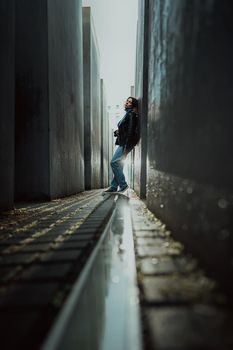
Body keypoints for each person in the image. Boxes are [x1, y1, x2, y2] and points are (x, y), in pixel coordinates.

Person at [104, 96, 140, 193]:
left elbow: (130, 131)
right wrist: (118, 132)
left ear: (133, 105)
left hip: (125, 143)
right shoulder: (128, 114)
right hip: (123, 142)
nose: (127, 103)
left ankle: (123, 185)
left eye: (129, 102)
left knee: (114, 162)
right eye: (127, 101)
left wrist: (126, 146)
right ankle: (114, 186)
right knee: (119, 164)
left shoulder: (131, 114)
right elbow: (125, 128)